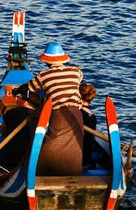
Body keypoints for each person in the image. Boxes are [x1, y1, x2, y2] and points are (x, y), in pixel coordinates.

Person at [14, 42, 85, 176]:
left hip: (58, 114)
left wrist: (18, 90)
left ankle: (42, 171)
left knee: (49, 147)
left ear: (46, 61)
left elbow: (28, 88)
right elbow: (78, 79)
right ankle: (72, 172)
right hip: (76, 114)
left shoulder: (43, 75)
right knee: (74, 145)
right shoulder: (76, 71)